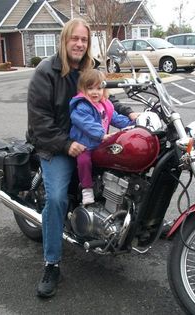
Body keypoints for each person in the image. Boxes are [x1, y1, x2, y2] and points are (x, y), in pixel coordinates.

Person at [27, 17, 138, 298]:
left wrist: (132, 114)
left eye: (84, 40)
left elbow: (107, 100)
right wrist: (66, 144)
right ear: (64, 40)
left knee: (133, 167)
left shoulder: (91, 69)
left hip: (88, 142)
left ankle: (136, 221)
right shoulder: (45, 72)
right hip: (56, 145)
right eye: (74, 38)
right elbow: (39, 123)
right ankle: (52, 262)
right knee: (56, 199)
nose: (79, 43)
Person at [70, 69, 135, 205]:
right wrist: (102, 135)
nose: (95, 92)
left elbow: (116, 118)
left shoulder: (106, 104)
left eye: (99, 88)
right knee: (84, 161)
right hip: (85, 145)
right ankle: (86, 189)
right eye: (90, 88)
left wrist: (133, 123)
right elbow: (87, 124)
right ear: (83, 89)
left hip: (100, 143)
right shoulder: (82, 107)